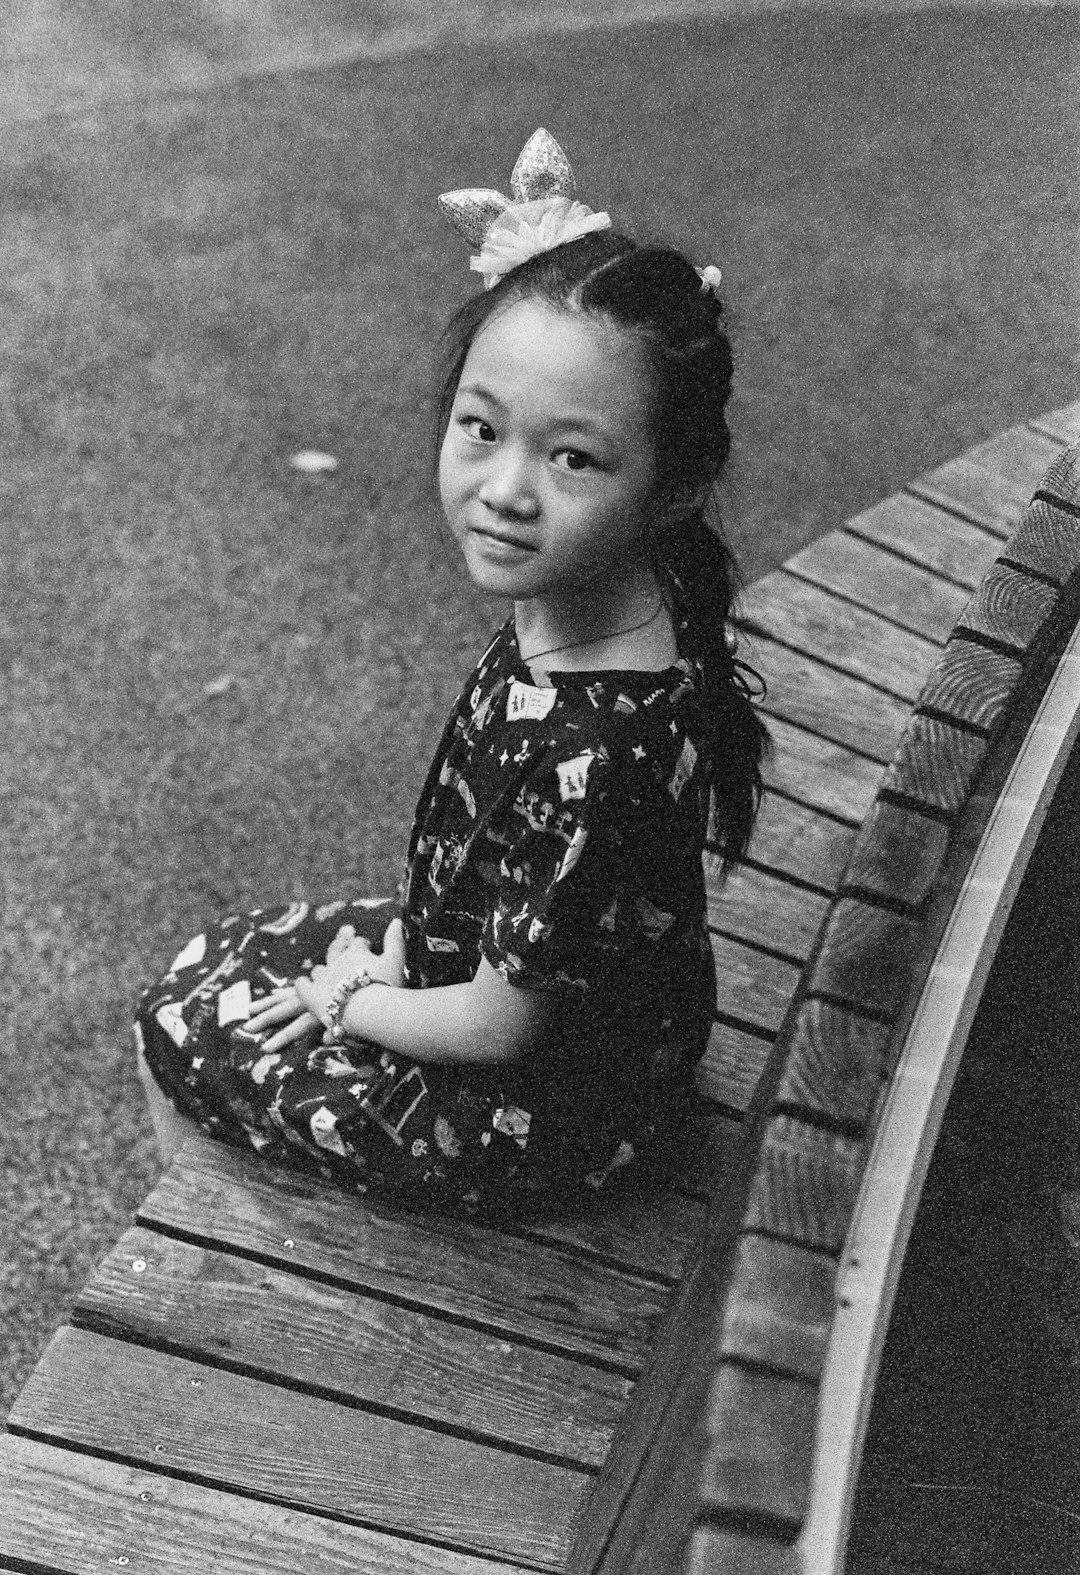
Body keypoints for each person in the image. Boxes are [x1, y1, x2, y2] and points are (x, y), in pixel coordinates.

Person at [135, 129, 769, 1221]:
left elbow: (496, 1027)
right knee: (214, 957)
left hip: (544, 1107)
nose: (505, 489)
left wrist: (350, 994)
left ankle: (245, 1290)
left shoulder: (597, 748)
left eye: (572, 457)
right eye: (482, 429)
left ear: (674, 486)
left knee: (174, 1024)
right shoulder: (596, 604)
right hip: (539, 999)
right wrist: (388, 955)